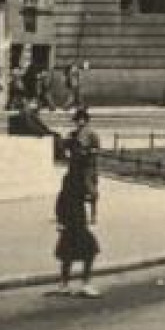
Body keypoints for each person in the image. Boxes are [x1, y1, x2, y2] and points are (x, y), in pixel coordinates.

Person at [52, 163, 100, 298]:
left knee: (68, 254)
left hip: (72, 221)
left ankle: (64, 285)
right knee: (90, 250)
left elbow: (61, 199)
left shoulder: (71, 177)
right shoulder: (78, 178)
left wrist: (60, 221)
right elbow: (90, 194)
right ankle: (85, 285)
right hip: (75, 221)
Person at [65, 105, 102, 224]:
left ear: (86, 120)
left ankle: (93, 214)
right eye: (77, 119)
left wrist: (89, 151)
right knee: (73, 190)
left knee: (91, 190)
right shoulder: (72, 134)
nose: (79, 122)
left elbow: (97, 148)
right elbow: (66, 147)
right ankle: (77, 215)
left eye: (82, 119)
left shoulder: (92, 133)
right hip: (75, 166)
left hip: (88, 166)